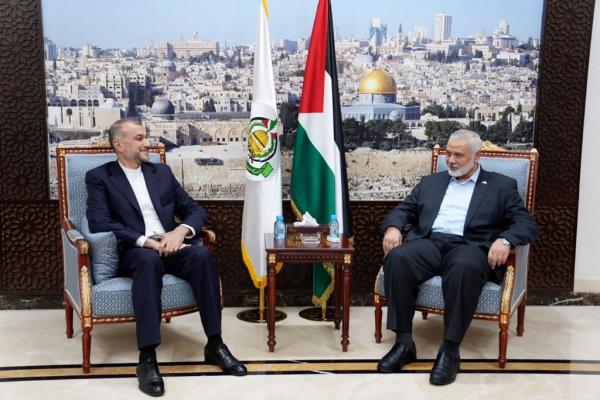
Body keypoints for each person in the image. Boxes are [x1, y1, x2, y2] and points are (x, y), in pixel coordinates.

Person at [85, 119, 246, 397]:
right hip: (135, 250)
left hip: (170, 244)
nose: (146, 142)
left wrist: (180, 232)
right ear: (119, 145)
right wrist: (146, 242)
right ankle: (147, 358)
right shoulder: (100, 177)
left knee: (201, 256)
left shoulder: (161, 172)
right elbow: (99, 222)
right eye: (138, 138)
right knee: (149, 262)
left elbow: (193, 209)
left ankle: (215, 344)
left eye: (145, 137)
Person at [377, 129, 538, 385]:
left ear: (477, 156)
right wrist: (394, 228)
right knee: (398, 258)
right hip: (430, 242)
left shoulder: (501, 185)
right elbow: (403, 210)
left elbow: (526, 223)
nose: (450, 160)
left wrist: (505, 240)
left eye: (458, 155)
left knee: (463, 267)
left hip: (470, 246)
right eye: (448, 154)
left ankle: (450, 351)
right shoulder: (431, 182)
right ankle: (404, 342)